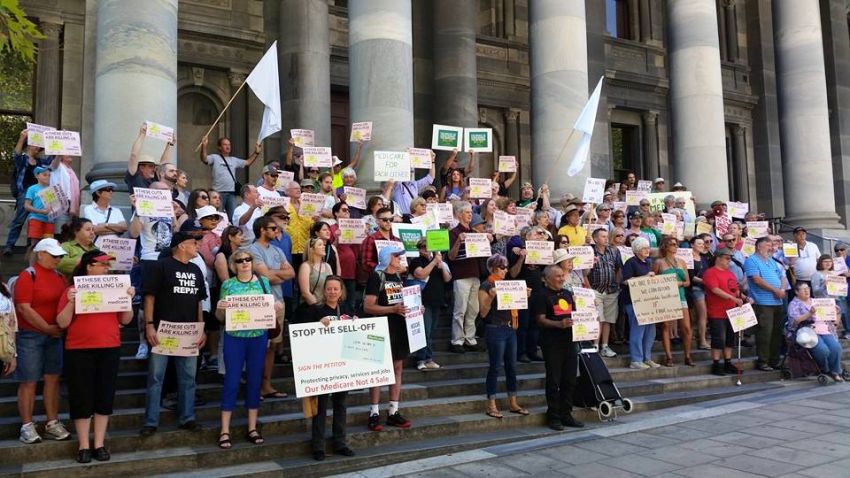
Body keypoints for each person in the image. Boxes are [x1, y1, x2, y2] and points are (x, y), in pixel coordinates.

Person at [56, 250, 134, 463]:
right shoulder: (72, 290)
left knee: (104, 396)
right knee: (81, 397)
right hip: (79, 350)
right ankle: (83, 445)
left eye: (107, 265)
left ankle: (98, 444)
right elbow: (62, 323)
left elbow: (126, 319)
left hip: (109, 347)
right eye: (102, 265)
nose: (106, 269)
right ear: (89, 267)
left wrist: (128, 299)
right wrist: (72, 301)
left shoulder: (116, 289)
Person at [139, 232, 208, 437]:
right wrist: (149, 325)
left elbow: (199, 301)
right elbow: (149, 298)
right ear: (181, 246)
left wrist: (201, 327)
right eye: (193, 243)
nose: (197, 246)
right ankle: (151, 421)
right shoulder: (161, 266)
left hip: (188, 332)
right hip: (163, 330)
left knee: (188, 378)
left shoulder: (196, 269)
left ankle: (187, 417)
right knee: (156, 377)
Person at [215, 249, 282, 449]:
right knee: (232, 381)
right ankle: (224, 429)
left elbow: (269, 308)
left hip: (257, 337)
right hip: (234, 337)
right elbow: (220, 319)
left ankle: (252, 427)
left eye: (248, 259)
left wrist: (275, 307)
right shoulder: (228, 285)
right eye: (240, 260)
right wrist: (220, 308)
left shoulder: (263, 282)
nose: (244, 263)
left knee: (254, 380)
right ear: (233, 265)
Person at [13, 238, 72, 444]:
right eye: (54, 255)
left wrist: (56, 329)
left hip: (53, 336)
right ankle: (27, 425)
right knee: (29, 380)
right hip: (31, 335)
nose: (58, 259)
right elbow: (23, 308)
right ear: (41, 254)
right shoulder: (27, 275)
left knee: (52, 379)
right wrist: (47, 328)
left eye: (59, 256)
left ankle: (51, 422)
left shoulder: (59, 276)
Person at [300, 276, 356, 460]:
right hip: (322, 366)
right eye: (329, 289)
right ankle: (318, 447)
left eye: (336, 289)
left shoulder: (347, 309)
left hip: (342, 366)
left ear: (341, 292)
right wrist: (317, 325)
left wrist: (357, 322)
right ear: (324, 291)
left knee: (341, 405)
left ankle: (340, 443)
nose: (332, 292)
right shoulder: (314, 310)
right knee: (321, 407)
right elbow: (301, 334)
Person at [363, 246, 412, 431]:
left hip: (398, 326)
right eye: (396, 255)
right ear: (387, 258)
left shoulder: (399, 277)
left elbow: (401, 303)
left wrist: (414, 309)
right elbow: (368, 306)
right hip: (381, 327)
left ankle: (393, 411)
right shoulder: (377, 276)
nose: (400, 258)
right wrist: (392, 310)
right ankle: (374, 412)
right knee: (378, 370)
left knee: (397, 367)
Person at [248, 216, 295, 399]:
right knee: (258, 347)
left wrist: (274, 274)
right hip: (260, 303)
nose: (277, 231)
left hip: (279, 302)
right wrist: (277, 274)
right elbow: (265, 276)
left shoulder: (277, 250)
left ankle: (266, 385)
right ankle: (255, 386)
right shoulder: (252, 250)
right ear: (262, 230)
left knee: (272, 348)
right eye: (273, 228)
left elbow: (291, 273)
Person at [531, 265, 583, 431]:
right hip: (552, 343)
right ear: (547, 279)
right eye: (558, 276)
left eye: (562, 275)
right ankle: (553, 416)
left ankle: (566, 414)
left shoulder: (567, 294)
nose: (562, 278)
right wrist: (559, 324)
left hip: (570, 341)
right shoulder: (541, 295)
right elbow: (540, 320)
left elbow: (576, 315)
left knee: (570, 380)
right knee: (554, 380)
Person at [478, 254, 528, 419]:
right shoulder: (486, 285)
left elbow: (517, 304)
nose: (505, 270)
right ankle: (491, 403)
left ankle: (513, 402)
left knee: (512, 367)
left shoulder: (507, 284)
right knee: (495, 367)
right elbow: (483, 313)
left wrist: (524, 295)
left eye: (506, 267)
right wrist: (491, 297)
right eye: (502, 267)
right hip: (495, 328)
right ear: (493, 268)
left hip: (510, 328)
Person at [3, 128, 51, 256]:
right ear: (30, 145)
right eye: (37, 146)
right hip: (25, 192)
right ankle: (9, 246)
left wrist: (58, 140)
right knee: (19, 220)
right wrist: (22, 137)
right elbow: (16, 154)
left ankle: (32, 247)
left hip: (39, 192)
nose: (38, 149)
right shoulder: (23, 160)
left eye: (40, 148)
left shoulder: (40, 162)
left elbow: (51, 160)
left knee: (36, 219)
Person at [744, 236, 788, 371]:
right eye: (768, 245)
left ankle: (774, 360)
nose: (771, 248)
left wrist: (781, 289)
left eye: (771, 245)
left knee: (776, 333)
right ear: (758, 246)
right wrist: (775, 290)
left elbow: (782, 277)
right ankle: (763, 361)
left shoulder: (772, 261)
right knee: (765, 333)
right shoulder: (751, 260)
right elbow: (756, 280)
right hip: (763, 303)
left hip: (777, 302)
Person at [786, 283, 845, 382]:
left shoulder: (816, 301)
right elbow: (795, 321)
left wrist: (836, 313)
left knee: (836, 347)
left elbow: (834, 318)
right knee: (823, 350)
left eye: (807, 288)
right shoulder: (794, 304)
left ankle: (835, 371)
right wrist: (810, 313)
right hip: (808, 332)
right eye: (803, 289)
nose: (806, 291)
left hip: (825, 329)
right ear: (796, 292)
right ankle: (826, 369)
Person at [409, 238, 451, 370]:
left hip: (436, 301)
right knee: (425, 331)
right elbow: (420, 274)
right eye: (423, 247)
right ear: (419, 249)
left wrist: (442, 266)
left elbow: (448, 278)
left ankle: (428, 358)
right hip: (423, 301)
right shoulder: (417, 261)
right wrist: (433, 262)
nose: (426, 250)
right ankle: (422, 358)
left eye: (428, 247)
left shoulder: (438, 262)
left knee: (431, 331)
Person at [448, 201, 483, 353]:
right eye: (468, 212)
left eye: (471, 212)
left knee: (473, 309)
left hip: (475, 274)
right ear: (460, 214)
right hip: (461, 275)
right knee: (460, 309)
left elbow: (483, 254)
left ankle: (470, 338)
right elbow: (450, 256)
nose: (470, 214)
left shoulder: (475, 233)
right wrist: (458, 241)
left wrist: (487, 240)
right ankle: (457, 340)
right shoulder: (453, 232)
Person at [653, 236, 694, 367]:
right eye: (673, 244)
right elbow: (651, 281)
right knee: (666, 326)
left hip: (681, 296)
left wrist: (679, 283)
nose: (676, 246)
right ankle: (668, 356)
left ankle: (687, 355)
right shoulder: (659, 263)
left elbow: (688, 282)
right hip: (666, 298)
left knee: (686, 328)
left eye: (676, 244)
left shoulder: (682, 262)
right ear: (665, 247)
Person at [200, 135, 262, 219]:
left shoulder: (234, 160)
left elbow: (247, 162)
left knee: (233, 218)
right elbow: (204, 159)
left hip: (231, 193)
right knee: (218, 217)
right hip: (218, 193)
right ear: (219, 147)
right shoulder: (215, 157)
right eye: (225, 144)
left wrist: (256, 153)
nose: (228, 146)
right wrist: (204, 146)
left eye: (229, 144)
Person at [621, 237, 659, 369]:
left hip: (647, 302)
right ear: (637, 250)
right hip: (633, 301)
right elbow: (626, 281)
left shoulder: (648, 262)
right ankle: (636, 360)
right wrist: (645, 278)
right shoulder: (630, 262)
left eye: (648, 248)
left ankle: (646, 357)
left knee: (650, 331)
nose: (647, 250)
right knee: (638, 331)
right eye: (644, 248)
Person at [587, 228, 621, 357]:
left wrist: (616, 283)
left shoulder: (614, 251)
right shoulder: (590, 251)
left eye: (607, 236)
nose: (606, 239)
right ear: (595, 239)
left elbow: (618, 268)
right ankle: (595, 345)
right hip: (595, 289)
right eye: (602, 236)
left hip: (611, 290)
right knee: (598, 318)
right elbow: (584, 272)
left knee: (608, 319)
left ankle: (605, 346)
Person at [125, 123, 172, 192]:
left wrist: (170, 144)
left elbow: (164, 164)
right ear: (141, 168)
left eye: (153, 166)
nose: (154, 169)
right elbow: (134, 155)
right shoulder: (134, 177)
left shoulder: (153, 180)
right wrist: (142, 134)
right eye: (150, 166)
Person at [330, 202, 359, 311]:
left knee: (351, 302)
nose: (347, 212)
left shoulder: (355, 227)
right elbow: (330, 249)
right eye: (344, 210)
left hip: (351, 270)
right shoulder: (331, 228)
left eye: (348, 210)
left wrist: (363, 234)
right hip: (338, 270)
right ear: (336, 213)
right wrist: (337, 238)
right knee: (338, 301)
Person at [23, 166, 55, 254]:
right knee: (35, 244)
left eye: (49, 175)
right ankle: (32, 266)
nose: (48, 177)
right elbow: (26, 205)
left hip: (49, 220)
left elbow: (54, 205)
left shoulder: (52, 189)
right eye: (45, 175)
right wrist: (40, 211)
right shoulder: (32, 189)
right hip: (36, 219)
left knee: (48, 245)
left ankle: (43, 265)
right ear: (37, 176)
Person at [688, 236, 711, 350]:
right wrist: (705, 281)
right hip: (695, 288)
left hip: (705, 288)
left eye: (703, 244)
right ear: (692, 245)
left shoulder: (704, 258)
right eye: (699, 244)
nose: (702, 246)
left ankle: (701, 338)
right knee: (703, 314)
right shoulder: (688, 258)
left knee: (703, 315)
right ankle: (702, 340)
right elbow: (691, 276)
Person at [298, 237, 334, 308]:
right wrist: (317, 309)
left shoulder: (327, 266)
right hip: (312, 308)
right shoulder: (306, 266)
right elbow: (305, 293)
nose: (323, 246)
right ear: (312, 249)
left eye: (323, 244)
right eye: (320, 245)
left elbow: (332, 285)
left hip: (327, 306)